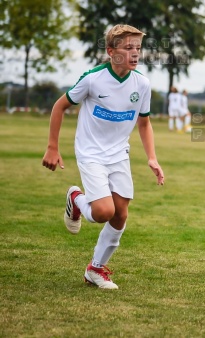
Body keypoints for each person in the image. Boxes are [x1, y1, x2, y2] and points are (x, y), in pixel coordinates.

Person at [41, 24, 165, 289]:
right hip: (90, 152)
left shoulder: (141, 84)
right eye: (128, 48)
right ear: (110, 51)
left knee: (120, 214)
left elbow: (144, 123)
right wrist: (53, 146)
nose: (135, 54)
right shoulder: (93, 78)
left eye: (138, 49)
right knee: (103, 212)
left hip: (119, 154)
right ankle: (76, 198)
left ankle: (95, 270)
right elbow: (59, 106)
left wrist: (152, 158)